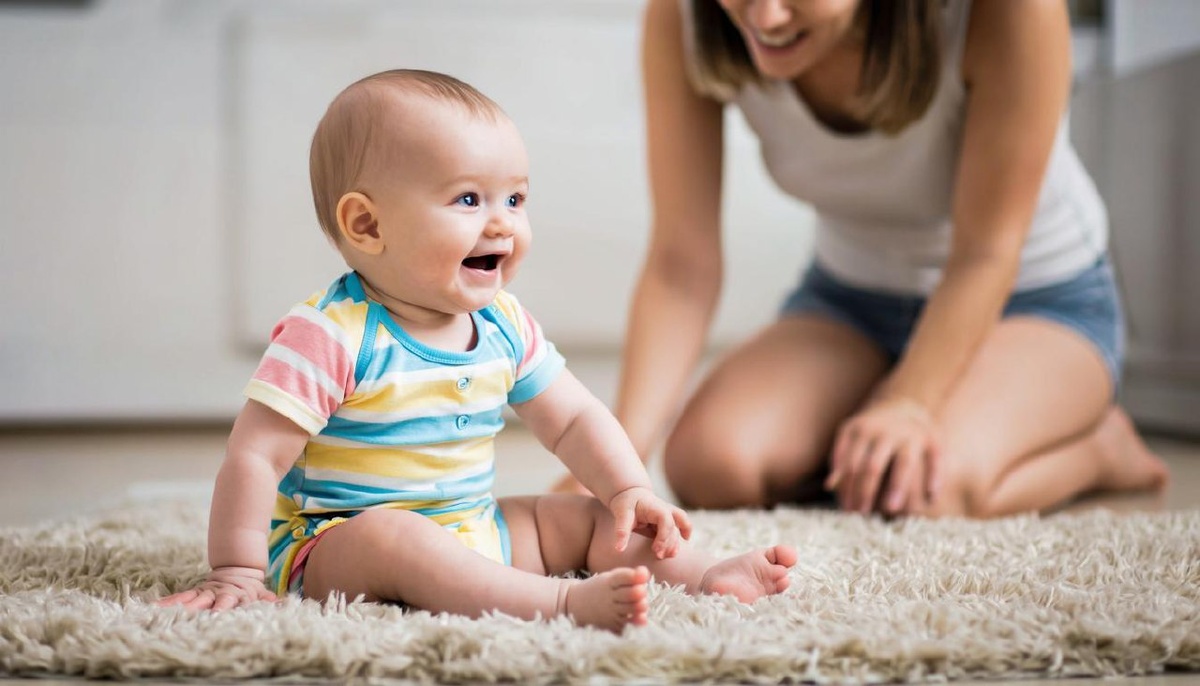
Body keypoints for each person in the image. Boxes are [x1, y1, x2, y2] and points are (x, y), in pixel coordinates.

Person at [156, 69, 796, 632]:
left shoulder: (503, 323)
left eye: (515, 198)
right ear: (368, 225)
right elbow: (255, 456)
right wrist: (237, 571)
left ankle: (708, 576)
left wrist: (628, 485)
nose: (503, 224)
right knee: (397, 536)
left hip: (475, 525)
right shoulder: (331, 334)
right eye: (469, 199)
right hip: (337, 545)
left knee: (591, 518)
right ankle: (557, 605)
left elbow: (572, 418)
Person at [553, 0, 1168, 518]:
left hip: (1032, 300)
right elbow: (681, 264)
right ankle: (879, 406)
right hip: (852, 299)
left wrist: (910, 403)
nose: (764, 16)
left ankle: (1100, 449)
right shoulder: (683, 16)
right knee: (711, 465)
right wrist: (614, 455)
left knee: (919, 491)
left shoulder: (1006, 11)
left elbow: (986, 253)